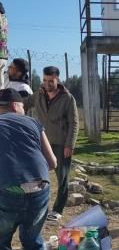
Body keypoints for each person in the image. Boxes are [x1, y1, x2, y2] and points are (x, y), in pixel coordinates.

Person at [0, 88, 57, 250]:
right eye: (22, 105)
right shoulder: (32, 123)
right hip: (39, 190)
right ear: (15, 105)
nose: (24, 108)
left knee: (2, 248)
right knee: (32, 240)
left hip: (7, 194)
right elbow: (52, 162)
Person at [25, 66, 79, 223]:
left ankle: (57, 210)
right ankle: (38, 206)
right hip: (41, 143)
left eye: (50, 81)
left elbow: (74, 123)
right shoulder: (39, 95)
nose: (47, 84)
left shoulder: (67, 98)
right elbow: (24, 102)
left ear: (57, 80)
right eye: (44, 80)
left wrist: (70, 145)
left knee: (62, 178)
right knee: (38, 175)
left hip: (61, 144)